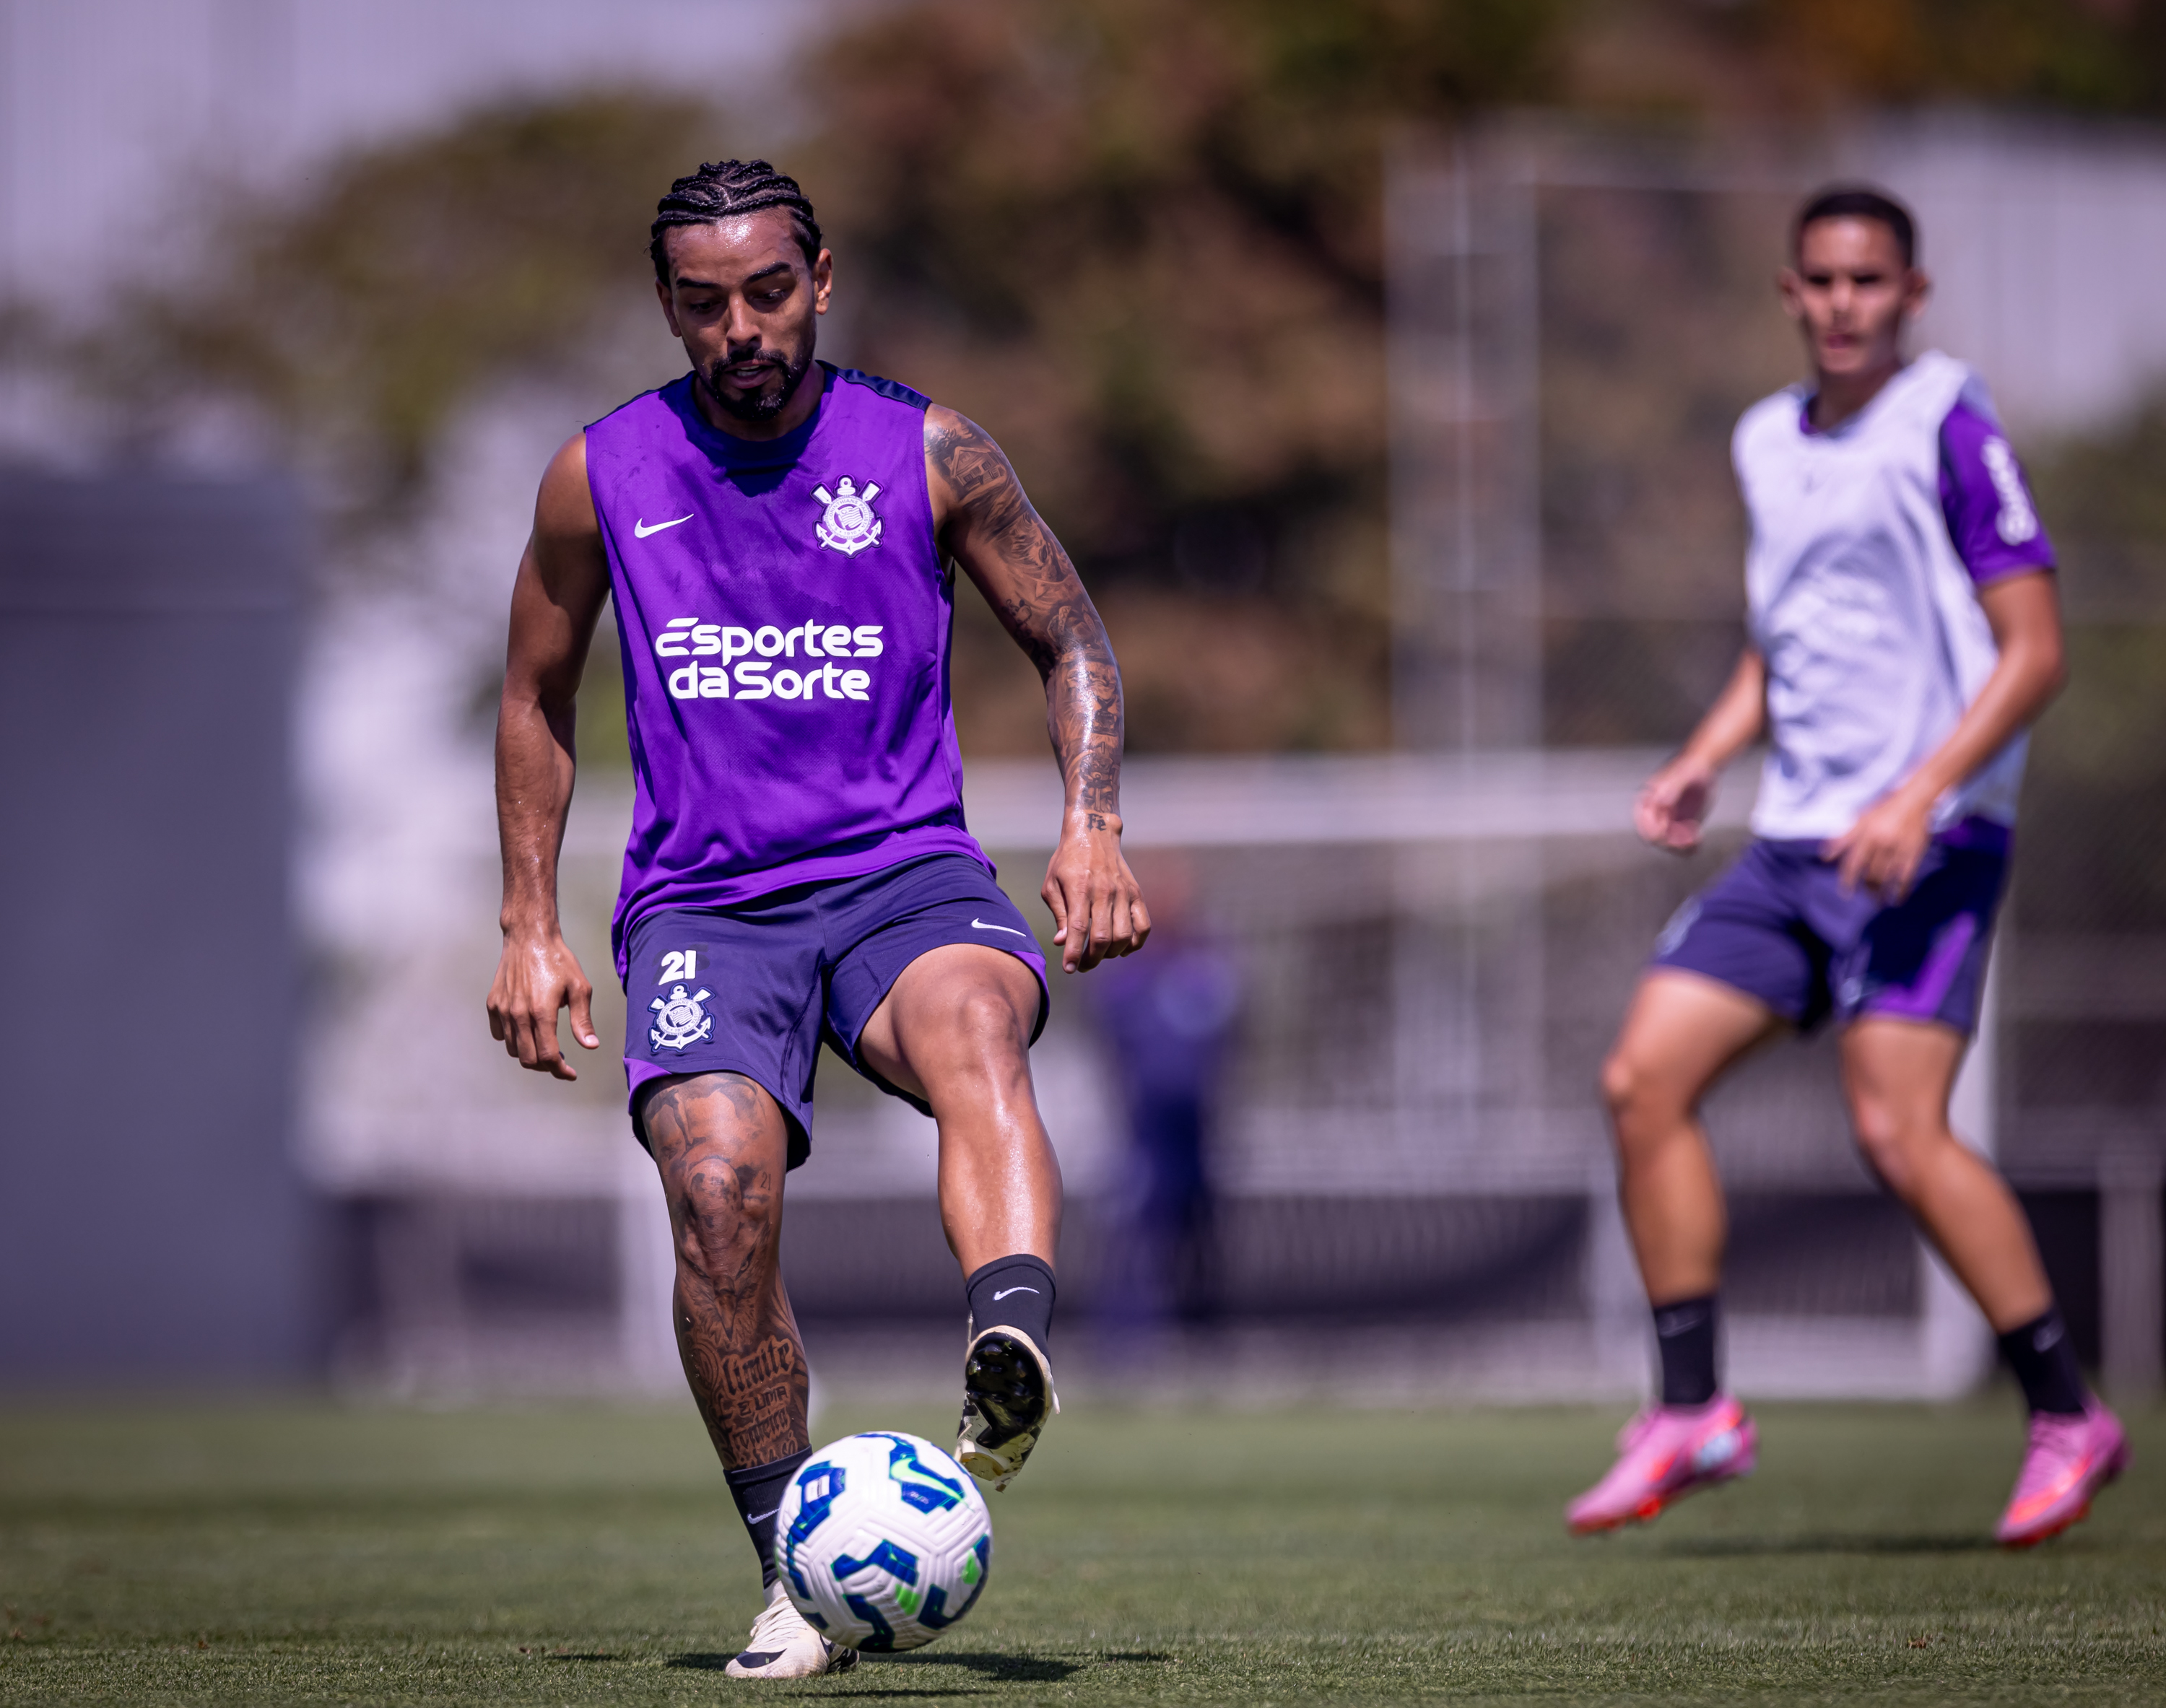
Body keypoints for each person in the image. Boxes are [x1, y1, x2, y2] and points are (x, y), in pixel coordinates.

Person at [484, 160, 1149, 1677]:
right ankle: (796, 1567)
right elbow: (532, 691)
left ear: (822, 279)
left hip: (906, 872)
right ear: (668, 306)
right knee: (716, 1188)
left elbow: (1071, 634)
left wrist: (1093, 819)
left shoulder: (928, 450)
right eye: (706, 303)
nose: (742, 328)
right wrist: (528, 917)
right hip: (707, 905)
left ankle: (1010, 1351)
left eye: (769, 292)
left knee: (979, 1021)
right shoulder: (599, 474)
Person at [1567, 186, 2126, 1547]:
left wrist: (1922, 793)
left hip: (1927, 844)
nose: (1842, 305)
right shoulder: (1770, 441)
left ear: (1911, 295)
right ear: (1788, 291)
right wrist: (1708, 751)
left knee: (1896, 1130)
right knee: (1642, 1079)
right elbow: (1787, 634)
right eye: (1819, 281)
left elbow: (2035, 651)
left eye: (1868, 281)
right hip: (1798, 840)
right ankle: (1694, 1407)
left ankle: (2067, 1412)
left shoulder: (1948, 424)